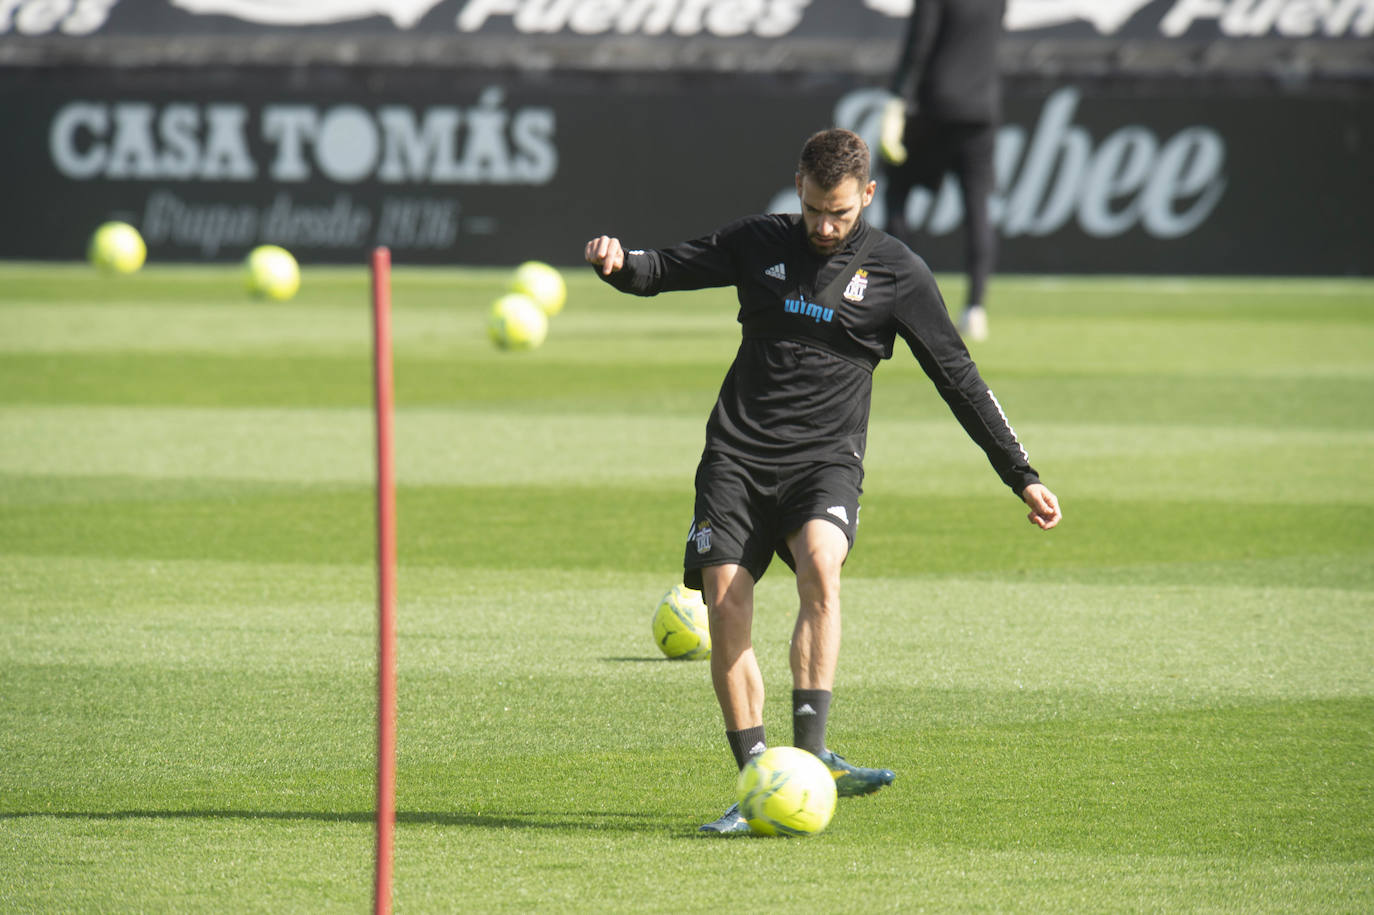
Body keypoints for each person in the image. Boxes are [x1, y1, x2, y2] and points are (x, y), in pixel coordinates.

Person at [584, 128, 1061, 834]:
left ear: (866, 195)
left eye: (840, 213)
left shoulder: (898, 273)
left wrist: (1020, 473)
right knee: (726, 601)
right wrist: (618, 263)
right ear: (799, 188)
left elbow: (959, 378)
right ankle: (754, 780)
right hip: (736, 457)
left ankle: (808, 759)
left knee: (820, 566)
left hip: (824, 463)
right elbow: (663, 269)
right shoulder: (760, 240)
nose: (825, 226)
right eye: (814, 211)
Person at [880, 0, 1006, 342]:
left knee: (896, 192)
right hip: (980, 109)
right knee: (978, 209)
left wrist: (896, 101)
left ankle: (900, 297)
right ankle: (975, 309)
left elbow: (918, 43)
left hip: (934, 105)